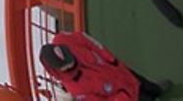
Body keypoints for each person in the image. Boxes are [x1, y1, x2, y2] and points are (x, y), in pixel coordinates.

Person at [40, 32, 170, 99]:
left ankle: (157, 89)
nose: (72, 61)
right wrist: (123, 97)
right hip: (127, 96)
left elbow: (90, 42)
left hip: (118, 70)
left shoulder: (64, 39)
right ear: (59, 70)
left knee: (141, 81)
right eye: (67, 64)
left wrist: (110, 59)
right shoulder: (77, 90)